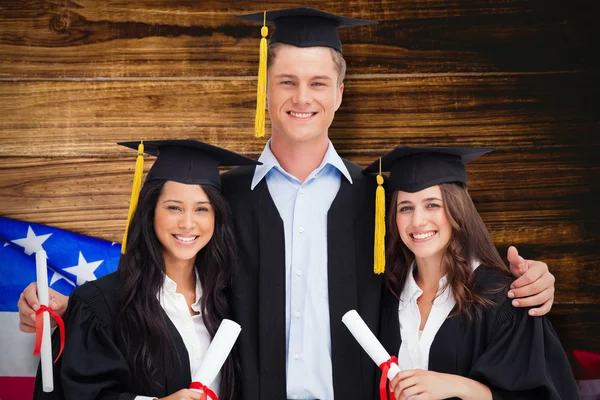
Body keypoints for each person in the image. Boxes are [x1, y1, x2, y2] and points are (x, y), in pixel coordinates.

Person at [20, 7, 557, 400]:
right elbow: (166, 280)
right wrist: (68, 307)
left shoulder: (380, 201)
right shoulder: (220, 200)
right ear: (266, 87)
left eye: (319, 82)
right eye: (288, 81)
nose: (303, 98)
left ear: (340, 94)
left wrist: (529, 281)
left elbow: (437, 267)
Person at [32, 139, 259, 400]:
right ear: (150, 211)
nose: (187, 223)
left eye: (201, 209)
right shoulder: (100, 306)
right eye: (174, 207)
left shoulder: (227, 301)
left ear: (216, 217)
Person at [366, 146, 578, 399]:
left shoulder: (503, 300)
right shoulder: (386, 295)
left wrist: (460, 387)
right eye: (406, 208)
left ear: (458, 210)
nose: (417, 221)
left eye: (432, 205)